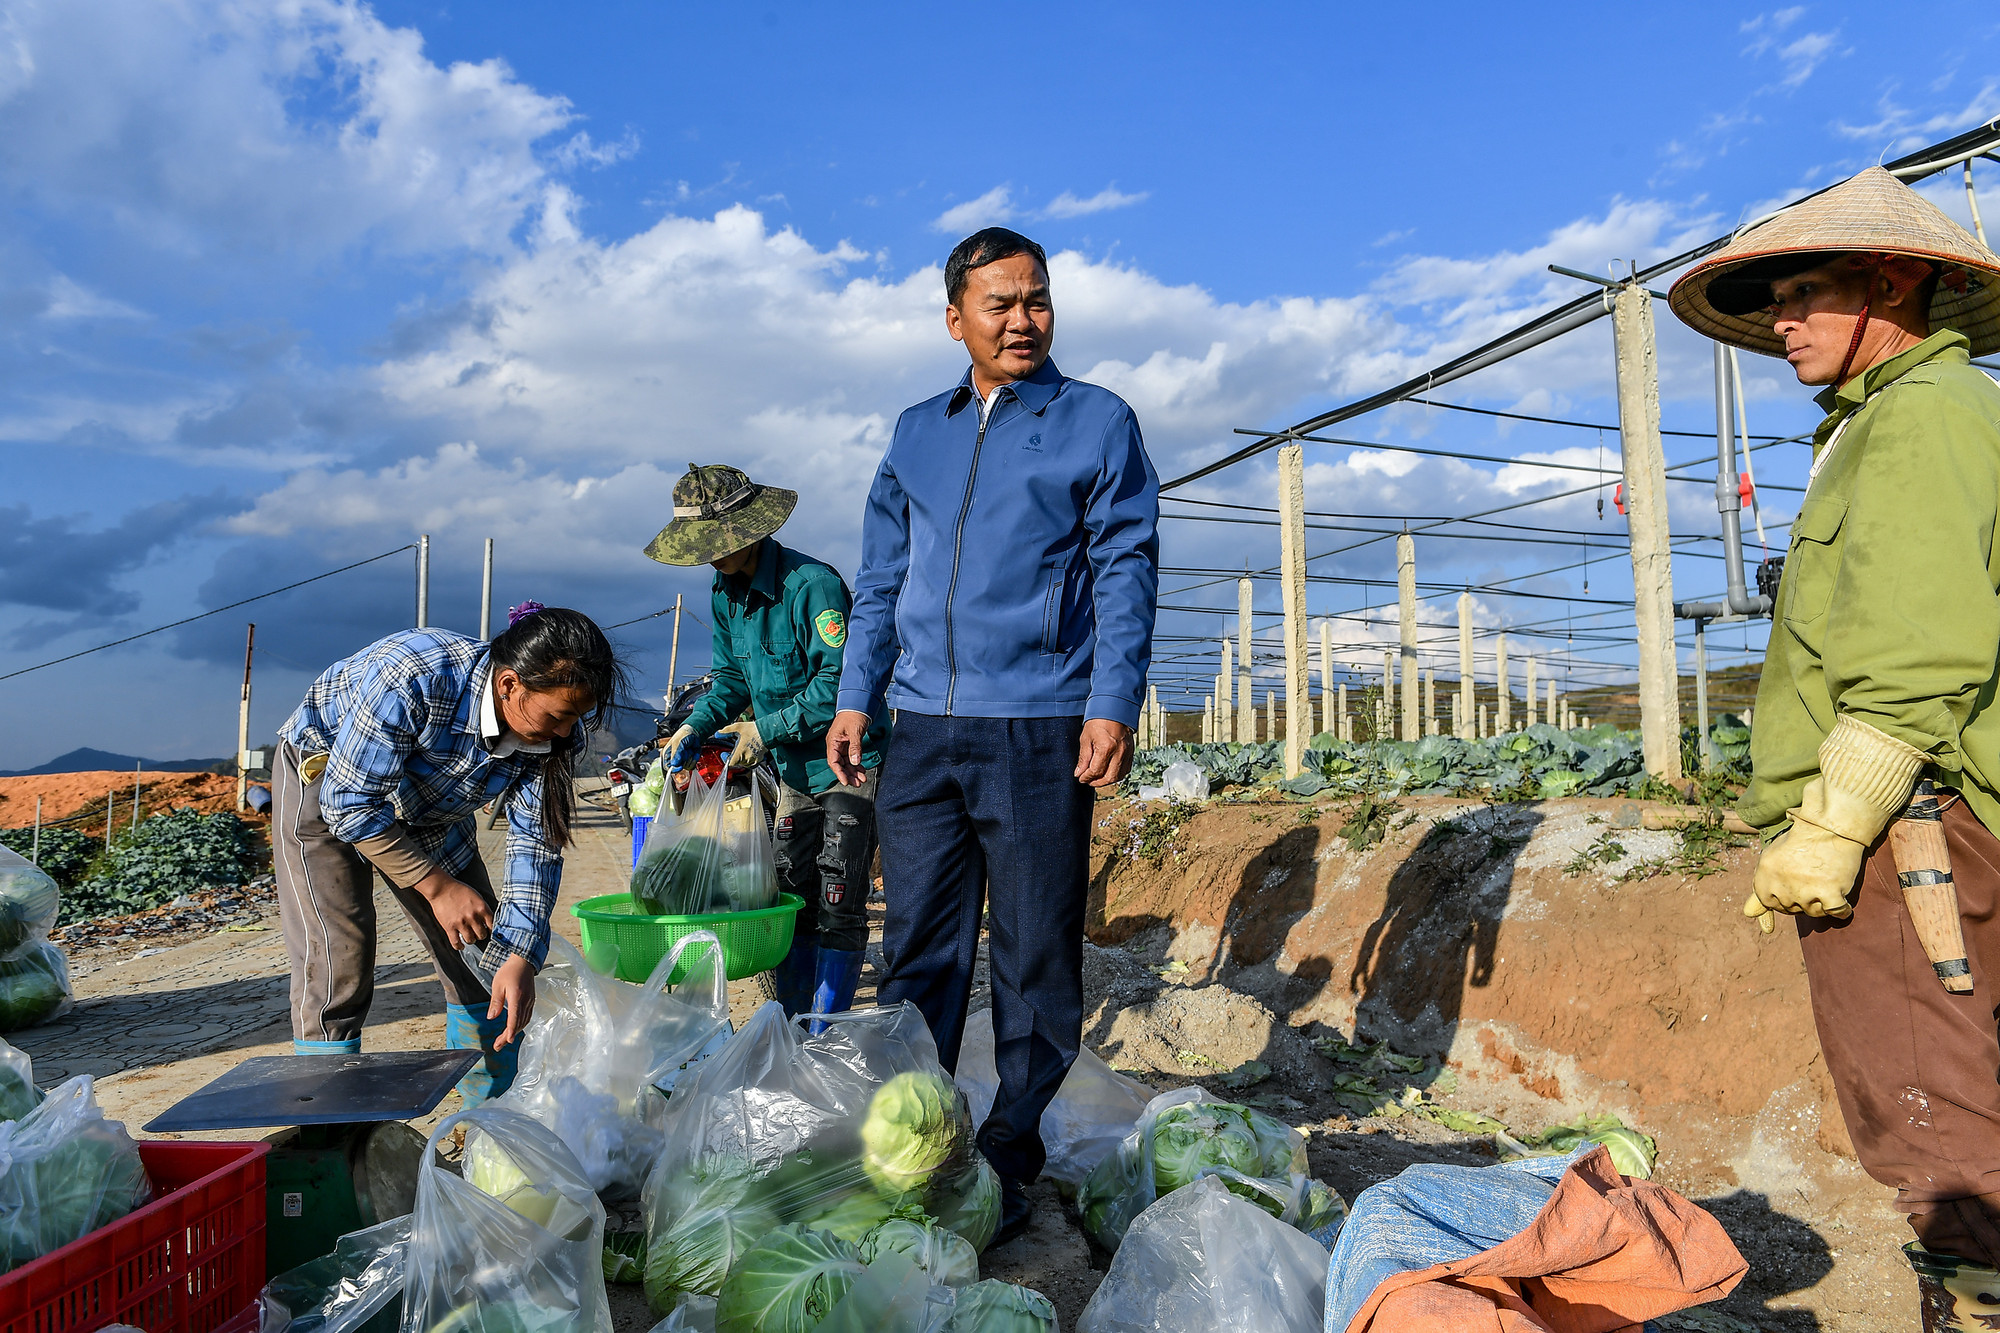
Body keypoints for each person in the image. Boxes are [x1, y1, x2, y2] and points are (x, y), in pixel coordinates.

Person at [1669, 165, 2000, 1322]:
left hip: (1915, 830)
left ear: (1894, 280)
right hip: (1928, 818)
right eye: (1770, 298)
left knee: (1932, 1118)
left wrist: (1832, 822)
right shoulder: (1887, 424)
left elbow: (1912, 653)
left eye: (1804, 288)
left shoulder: (1920, 416)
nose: (1780, 318)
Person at [826, 227, 1159, 1246]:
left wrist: (1110, 701)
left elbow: (1125, 567)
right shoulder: (914, 431)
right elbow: (880, 578)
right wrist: (856, 693)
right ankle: (913, 1142)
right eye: (1000, 304)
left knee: (1029, 954)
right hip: (921, 730)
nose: (1022, 320)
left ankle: (1008, 1153)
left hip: (1039, 721)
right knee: (917, 945)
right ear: (953, 317)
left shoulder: (1094, 422)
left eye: (1037, 300)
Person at [274, 604, 627, 1104]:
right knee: (339, 957)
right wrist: (437, 886)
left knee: (486, 952)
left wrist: (523, 952)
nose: (567, 733)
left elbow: (536, 843)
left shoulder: (550, 735)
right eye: (559, 715)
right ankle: (329, 1118)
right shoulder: (415, 677)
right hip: (327, 782)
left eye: (575, 718)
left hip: (430, 803)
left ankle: (492, 1117)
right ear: (509, 686)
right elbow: (349, 804)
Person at [644, 463, 889, 1020]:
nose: (714, 558)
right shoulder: (724, 594)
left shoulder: (813, 587)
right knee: (791, 896)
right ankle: (793, 1020)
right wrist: (695, 725)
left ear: (752, 529)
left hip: (848, 765)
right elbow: (731, 681)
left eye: (720, 545)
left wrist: (763, 730)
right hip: (793, 773)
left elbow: (841, 686)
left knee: (839, 898)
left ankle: (826, 1031)